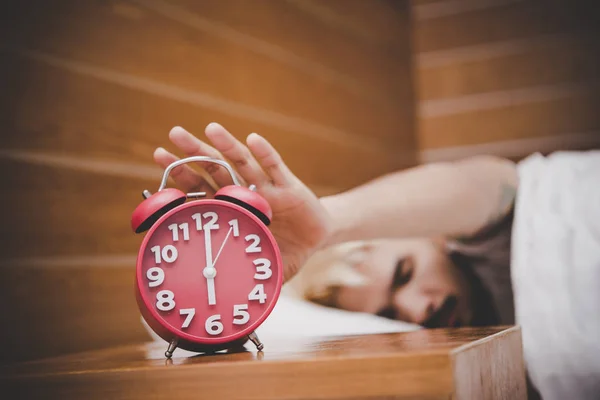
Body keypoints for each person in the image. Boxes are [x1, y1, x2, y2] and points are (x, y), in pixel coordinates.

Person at [153, 123, 600, 400]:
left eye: (404, 273)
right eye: (390, 314)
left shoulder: (488, 228)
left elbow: (484, 183)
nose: (417, 309)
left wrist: (331, 222)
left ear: (428, 233)